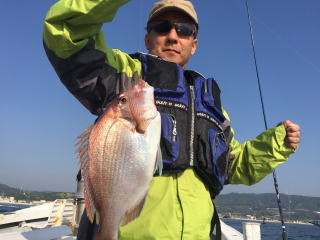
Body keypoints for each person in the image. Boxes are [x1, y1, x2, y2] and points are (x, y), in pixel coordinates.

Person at [43, 0, 301, 239]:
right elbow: (67, 34)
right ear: (148, 38)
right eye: (162, 27)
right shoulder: (127, 77)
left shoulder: (212, 106)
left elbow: (232, 166)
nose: (173, 36)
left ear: (194, 44)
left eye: (184, 29)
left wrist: (275, 144)